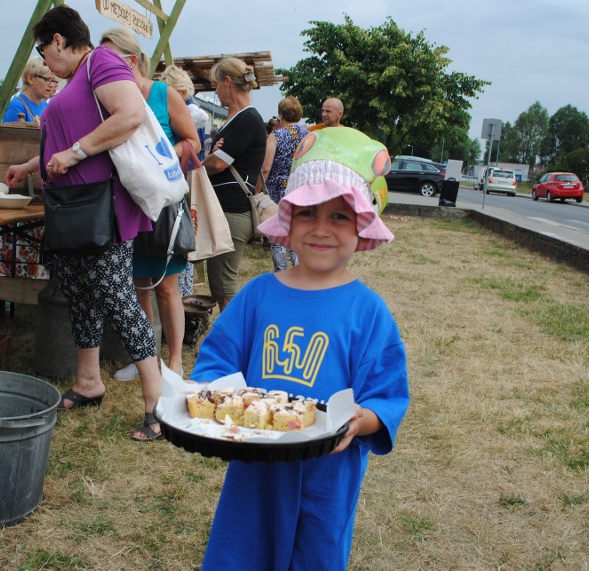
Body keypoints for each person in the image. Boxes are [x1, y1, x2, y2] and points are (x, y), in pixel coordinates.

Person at [192, 127, 410, 570]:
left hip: (328, 470)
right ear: (288, 221)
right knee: (243, 547)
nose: (321, 230)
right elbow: (217, 358)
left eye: (339, 217)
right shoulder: (258, 295)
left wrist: (360, 419)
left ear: (362, 227)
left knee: (316, 552)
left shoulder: (367, 312)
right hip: (256, 462)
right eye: (308, 213)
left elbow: (386, 395)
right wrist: (209, 395)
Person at [4, 5, 163, 441]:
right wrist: (27, 166)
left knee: (117, 299)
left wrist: (75, 153)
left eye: (42, 49)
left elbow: (128, 115)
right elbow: (60, 142)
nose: (44, 61)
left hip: (101, 207)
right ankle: (89, 382)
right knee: (79, 294)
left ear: (57, 40)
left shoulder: (101, 61)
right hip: (71, 207)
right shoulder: (76, 80)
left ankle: (157, 401)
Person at [99, 27, 200, 389]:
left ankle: (174, 362)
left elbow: (193, 143)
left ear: (132, 59)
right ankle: (147, 357)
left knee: (167, 287)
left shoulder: (163, 94)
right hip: (127, 206)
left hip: (163, 209)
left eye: (110, 57)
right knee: (137, 285)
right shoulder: (106, 97)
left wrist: (161, 157)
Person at [202, 57, 267, 310]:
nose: (215, 91)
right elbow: (215, 160)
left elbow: (217, 164)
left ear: (227, 82)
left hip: (233, 212)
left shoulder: (247, 119)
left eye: (216, 85)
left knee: (225, 283)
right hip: (226, 210)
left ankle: (234, 343)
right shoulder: (239, 118)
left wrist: (202, 162)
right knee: (219, 282)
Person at [160, 63, 205, 297]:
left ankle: (183, 297)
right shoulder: (192, 112)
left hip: (181, 181)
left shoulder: (192, 112)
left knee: (179, 239)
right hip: (184, 179)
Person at [260, 96, 309, 271]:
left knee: (278, 235)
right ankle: (300, 270)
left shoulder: (276, 136)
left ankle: (281, 273)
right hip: (301, 189)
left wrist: (259, 189)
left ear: (280, 115)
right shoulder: (309, 136)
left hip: (278, 190)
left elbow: (266, 167)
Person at [1, 56, 57, 124]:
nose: (51, 85)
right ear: (30, 79)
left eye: (53, 80)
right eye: (47, 79)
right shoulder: (16, 106)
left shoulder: (46, 107)